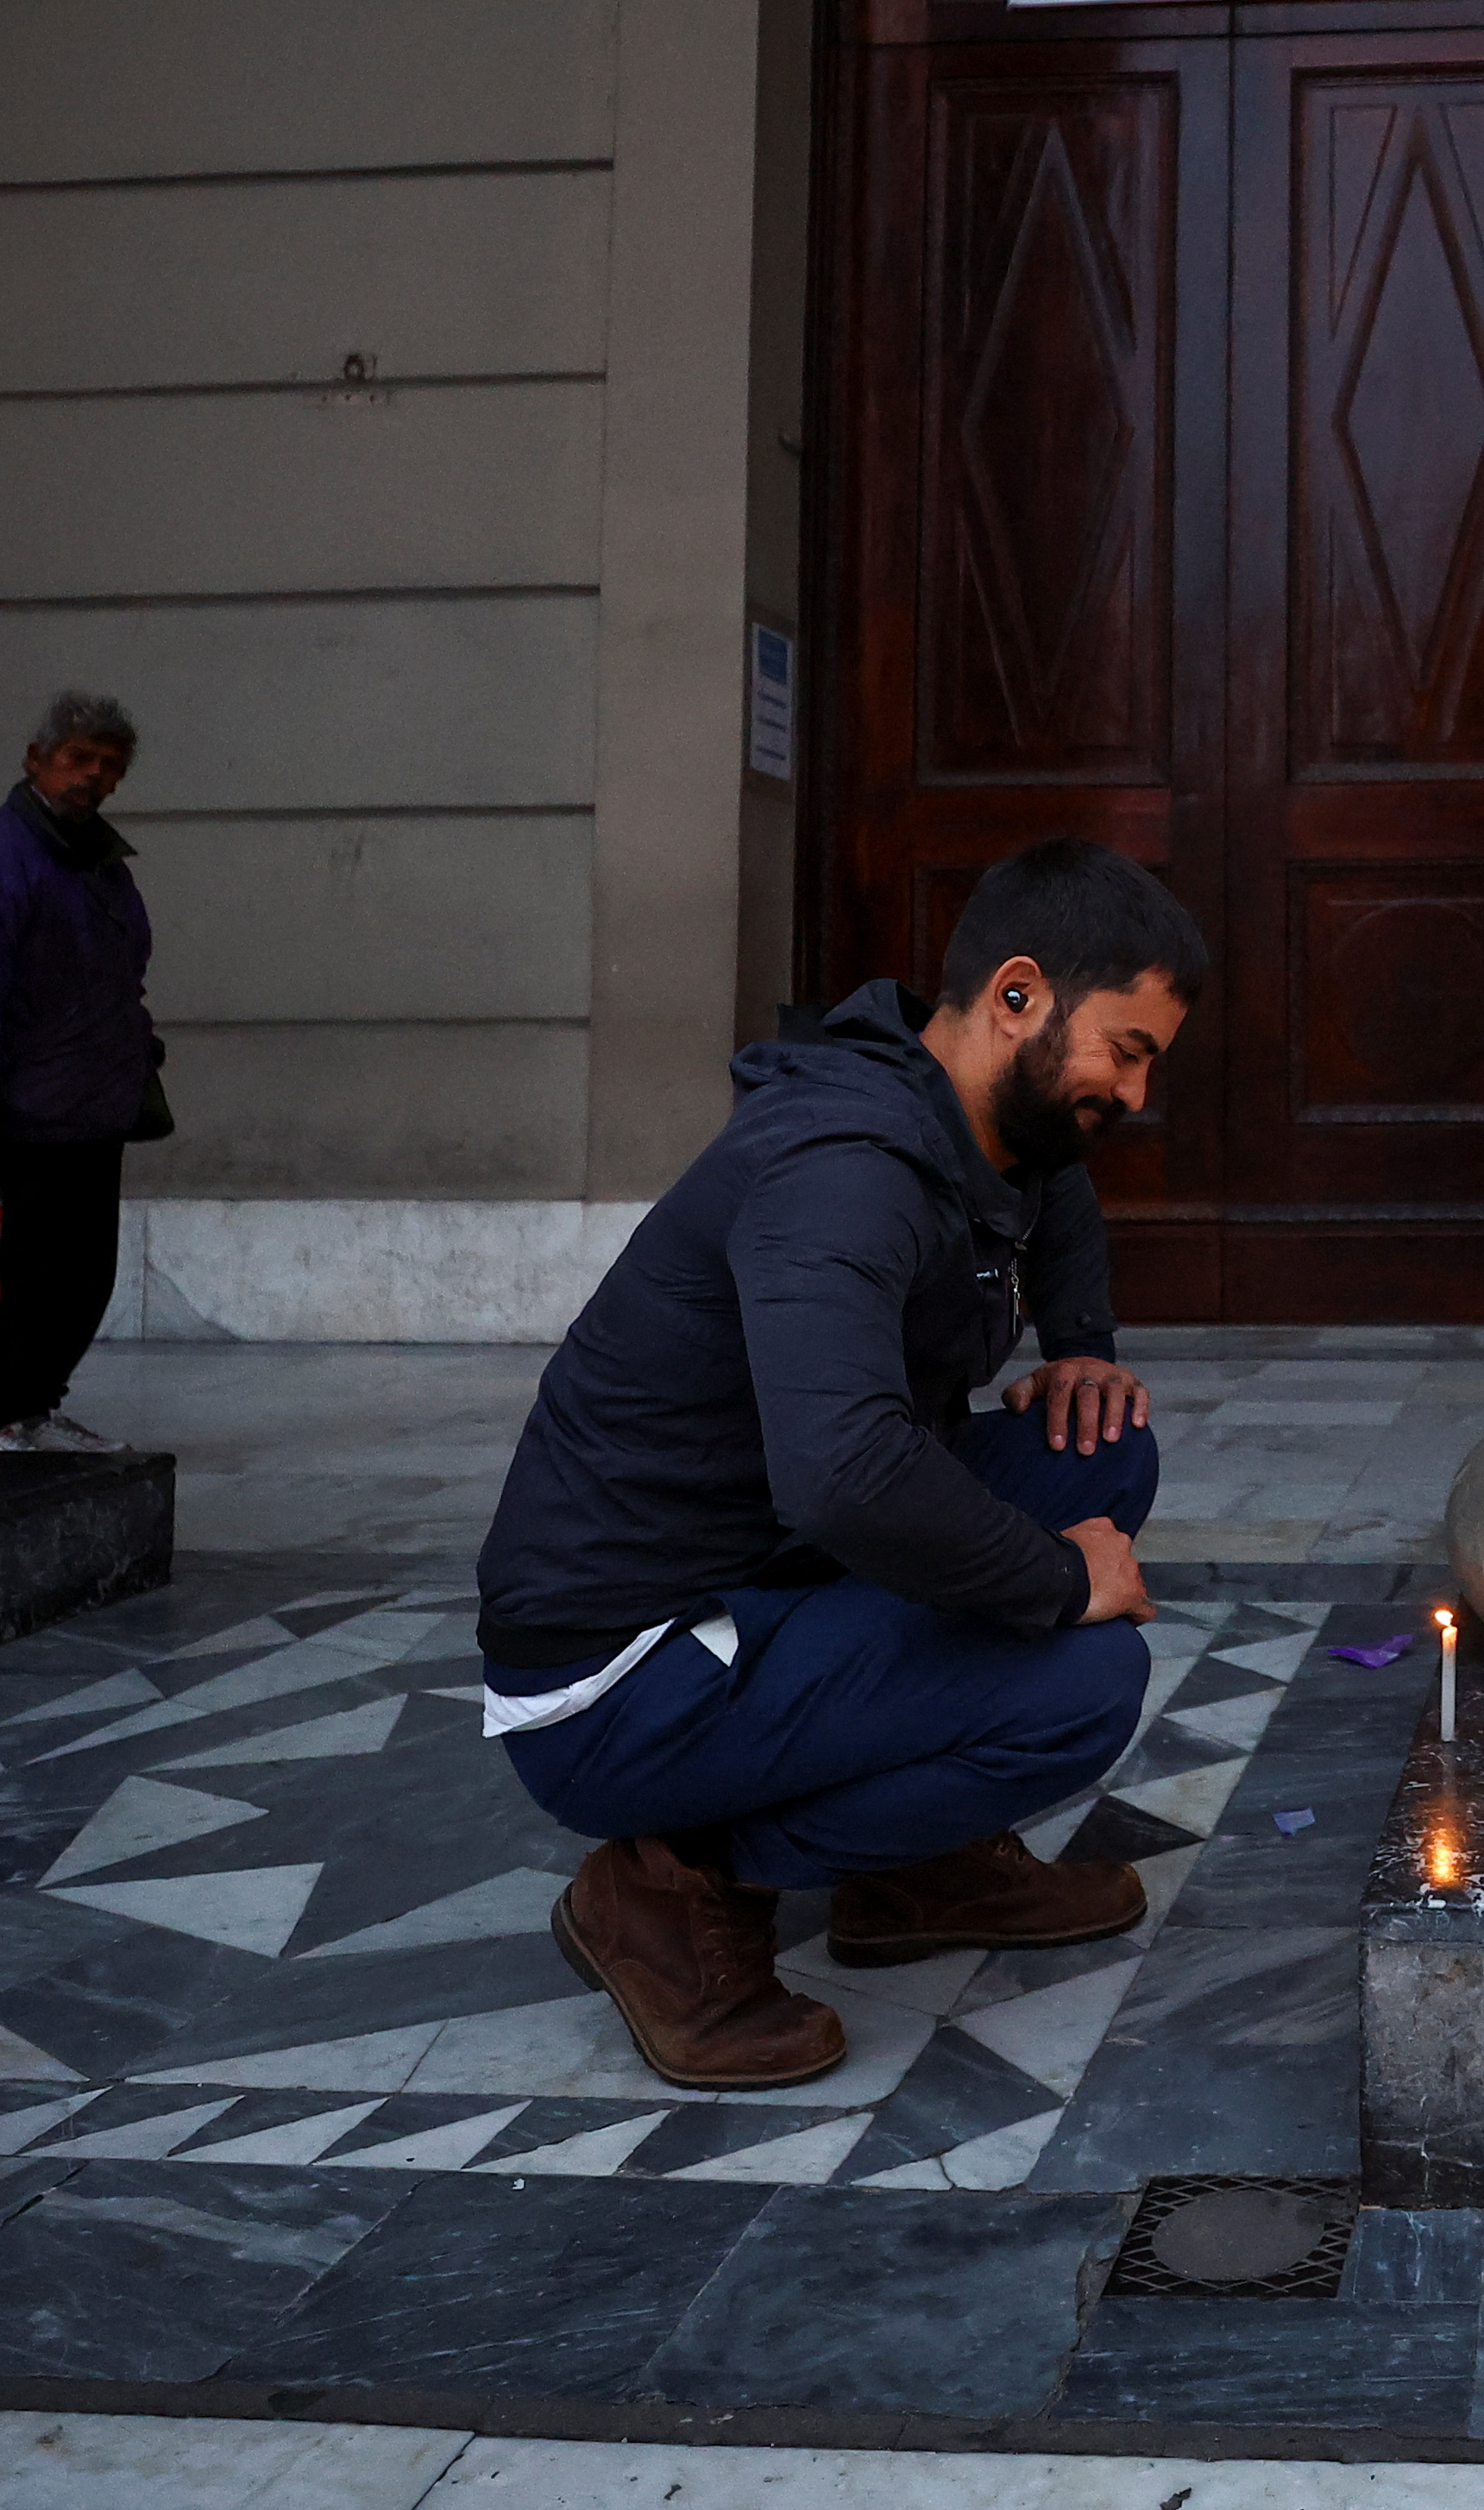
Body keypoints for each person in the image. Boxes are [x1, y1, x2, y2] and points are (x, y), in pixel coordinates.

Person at [475, 838, 1205, 2088]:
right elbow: (844, 1471)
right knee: (1081, 1680)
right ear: (1017, 995)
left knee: (1096, 1445)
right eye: (1126, 1050)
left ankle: (905, 1868)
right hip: (623, 1665)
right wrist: (1050, 1579)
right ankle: (666, 1886)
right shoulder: (845, 1166)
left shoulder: (966, 1104)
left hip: (767, 1560)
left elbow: (1053, 1182)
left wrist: (1080, 1343)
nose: (1136, 1094)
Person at [0, 691, 160, 1458]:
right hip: (16, 1121)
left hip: (91, 1111)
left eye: (108, 766)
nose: (93, 777)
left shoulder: (100, 866)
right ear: (36, 760)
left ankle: (36, 1408)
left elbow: (118, 976)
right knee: (8, 1286)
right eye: (78, 759)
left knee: (80, 1282)